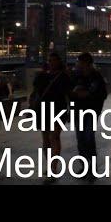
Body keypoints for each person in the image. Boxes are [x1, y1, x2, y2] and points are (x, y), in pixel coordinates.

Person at [29, 52, 73, 183]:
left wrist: (70, 110)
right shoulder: (42, 76)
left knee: (54, 137)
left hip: (58, 110)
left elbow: (68, 94)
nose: (51, 62)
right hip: (43, 110)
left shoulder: (64, 76)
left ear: (59, 62)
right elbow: (36, 90)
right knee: (46, 140)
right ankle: (50, 166)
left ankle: (53, 169)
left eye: (54, 60)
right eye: (50, 60)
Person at [71, 52, 108, 181]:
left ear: (86, 63)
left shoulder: (96, 76)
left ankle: (91, 169)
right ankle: (84, 166)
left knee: (88, 139)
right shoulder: (77, 75)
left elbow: (102, 94)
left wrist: (87, 95)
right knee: (80, 140)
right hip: (78, 112)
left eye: (79, 62)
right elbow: (72, 92)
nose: (77, 64)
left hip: (90, 112)